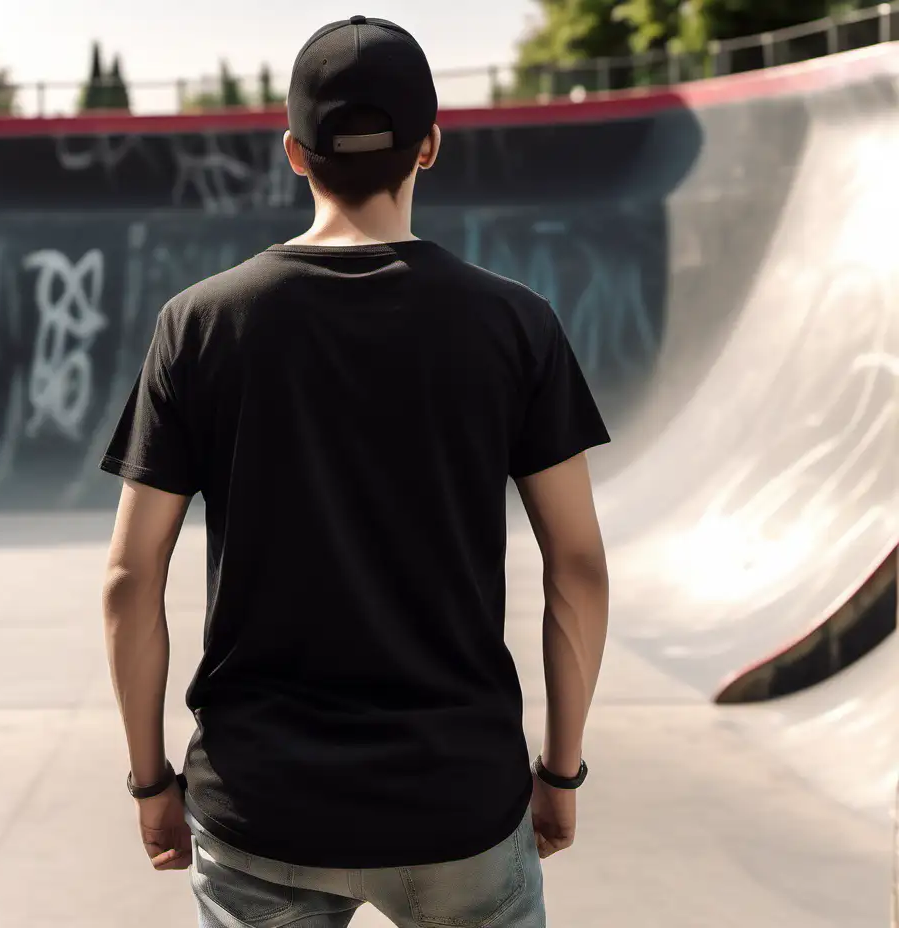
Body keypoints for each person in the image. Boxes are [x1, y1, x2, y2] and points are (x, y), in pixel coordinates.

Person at [100, 15, 611, 928]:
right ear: (431, 146)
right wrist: (560, 769)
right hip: (459, 804)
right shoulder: (515, 326)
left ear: (294, 153)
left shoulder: (201, 324)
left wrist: (150, 781)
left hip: (262, 805)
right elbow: (577, 566)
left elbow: (131, 578)